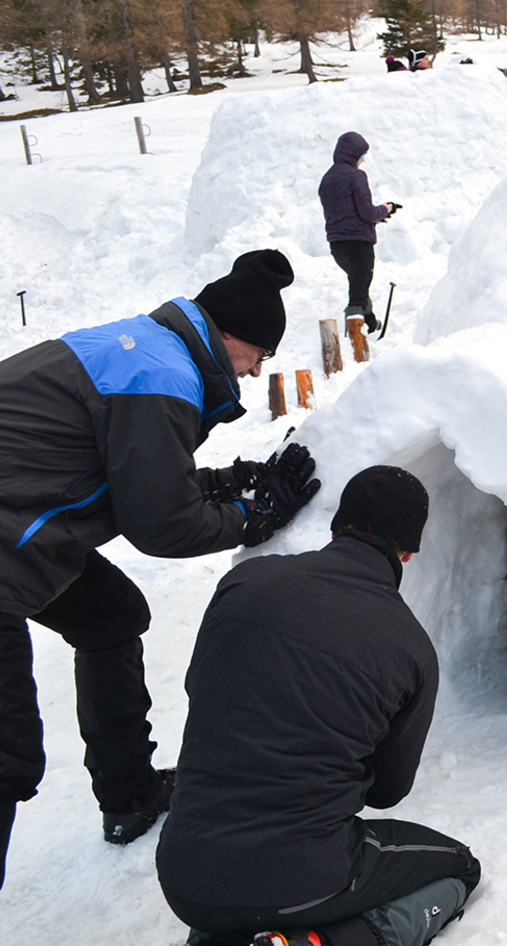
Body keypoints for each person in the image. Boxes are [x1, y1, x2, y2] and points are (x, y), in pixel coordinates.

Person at [0, 249, 322, 889]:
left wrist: (224, 482)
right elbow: (160, 524)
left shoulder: (150, 351)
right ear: (230, 337)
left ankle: (129, 794)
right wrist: (251, 520)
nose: (258, 373)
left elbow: (134, 476)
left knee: (111, 613)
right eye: (259, 357)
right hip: (12, 536)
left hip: (20, 523)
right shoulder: (162, 375)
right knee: (5, 756)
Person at [157, 466, 480, 946]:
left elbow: (199, 687)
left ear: (335, 526)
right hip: (304, 877)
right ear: (408, 553)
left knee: (244, 891)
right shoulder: (410, 648)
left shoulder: (245, 582)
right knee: (458, 867)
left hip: (184, 875)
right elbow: (388, 790)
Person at [318, 132, 397, 334]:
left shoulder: (327, 178)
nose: (363, 159)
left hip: (337, 245)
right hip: (359, 245)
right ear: (353, 154)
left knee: (359, 285)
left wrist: (375, 219)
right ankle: (354, 339)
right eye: (362, 154)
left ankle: (370, 323)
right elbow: (367, 212)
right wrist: (386, 208)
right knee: (357, 291)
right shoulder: (356, 176)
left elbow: (346, 213)